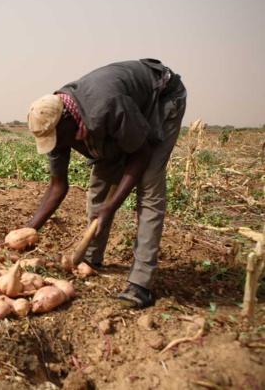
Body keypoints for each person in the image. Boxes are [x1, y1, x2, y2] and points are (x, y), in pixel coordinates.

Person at [24, 58, 187, 309]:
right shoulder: (53, 126)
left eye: (57, 139)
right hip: (119, 116)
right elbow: (58, 186)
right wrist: (28, 231)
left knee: (149, 186)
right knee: (99, 186)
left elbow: (141, 154)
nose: (55, 146)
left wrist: (113, 206)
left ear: (68, 121)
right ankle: (91, 259)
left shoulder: (106, 108)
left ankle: (141, 283)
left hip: (160, 98)